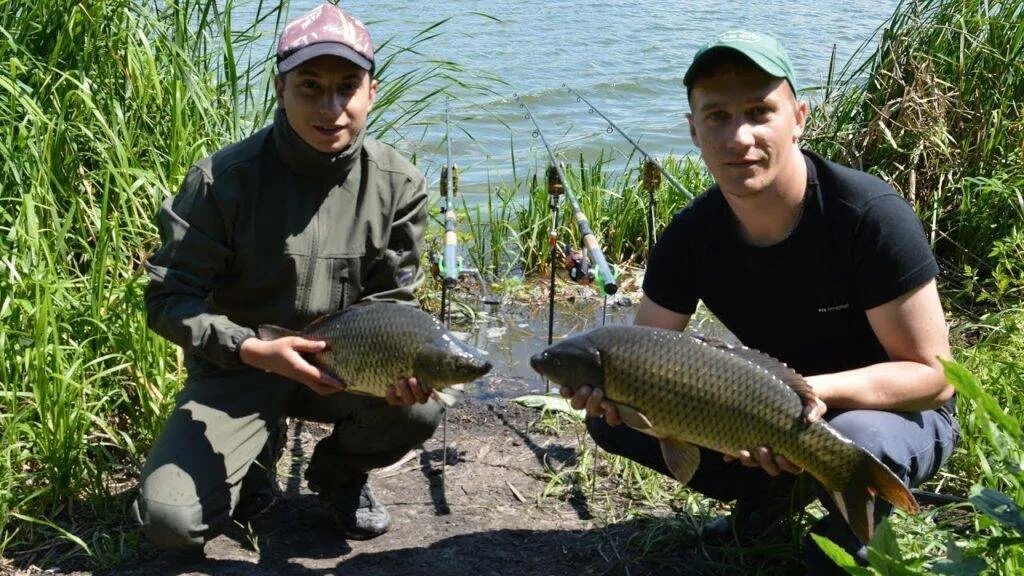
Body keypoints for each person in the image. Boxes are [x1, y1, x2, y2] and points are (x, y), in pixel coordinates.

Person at [563, 30, 958, 573]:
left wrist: (801, 396)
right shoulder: (690, 235)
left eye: (758, 111)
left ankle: (847, 524)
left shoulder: (866, 215)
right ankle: (772, 496)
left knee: (853, 437)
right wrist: (615, 395)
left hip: (889, 412)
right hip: (770, 415)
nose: (738, 136)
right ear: (693, 130)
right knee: (615, 421)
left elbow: (933, 378)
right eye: (717, 117)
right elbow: (639, 353)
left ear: (798, 116)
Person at [131, 3, 441, 550]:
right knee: (169, 524)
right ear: (280, 89)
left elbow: (392, 306)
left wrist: (403, 368)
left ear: (371, 90)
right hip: (240, 367)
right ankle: (256, 451)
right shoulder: (221, 180)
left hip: (346, 367)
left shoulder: (400, 184)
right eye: (310, 87)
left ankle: (339, 477)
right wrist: (250, 348)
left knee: (420, 406)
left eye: (348, 86)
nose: (332, 108)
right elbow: (168, 300)